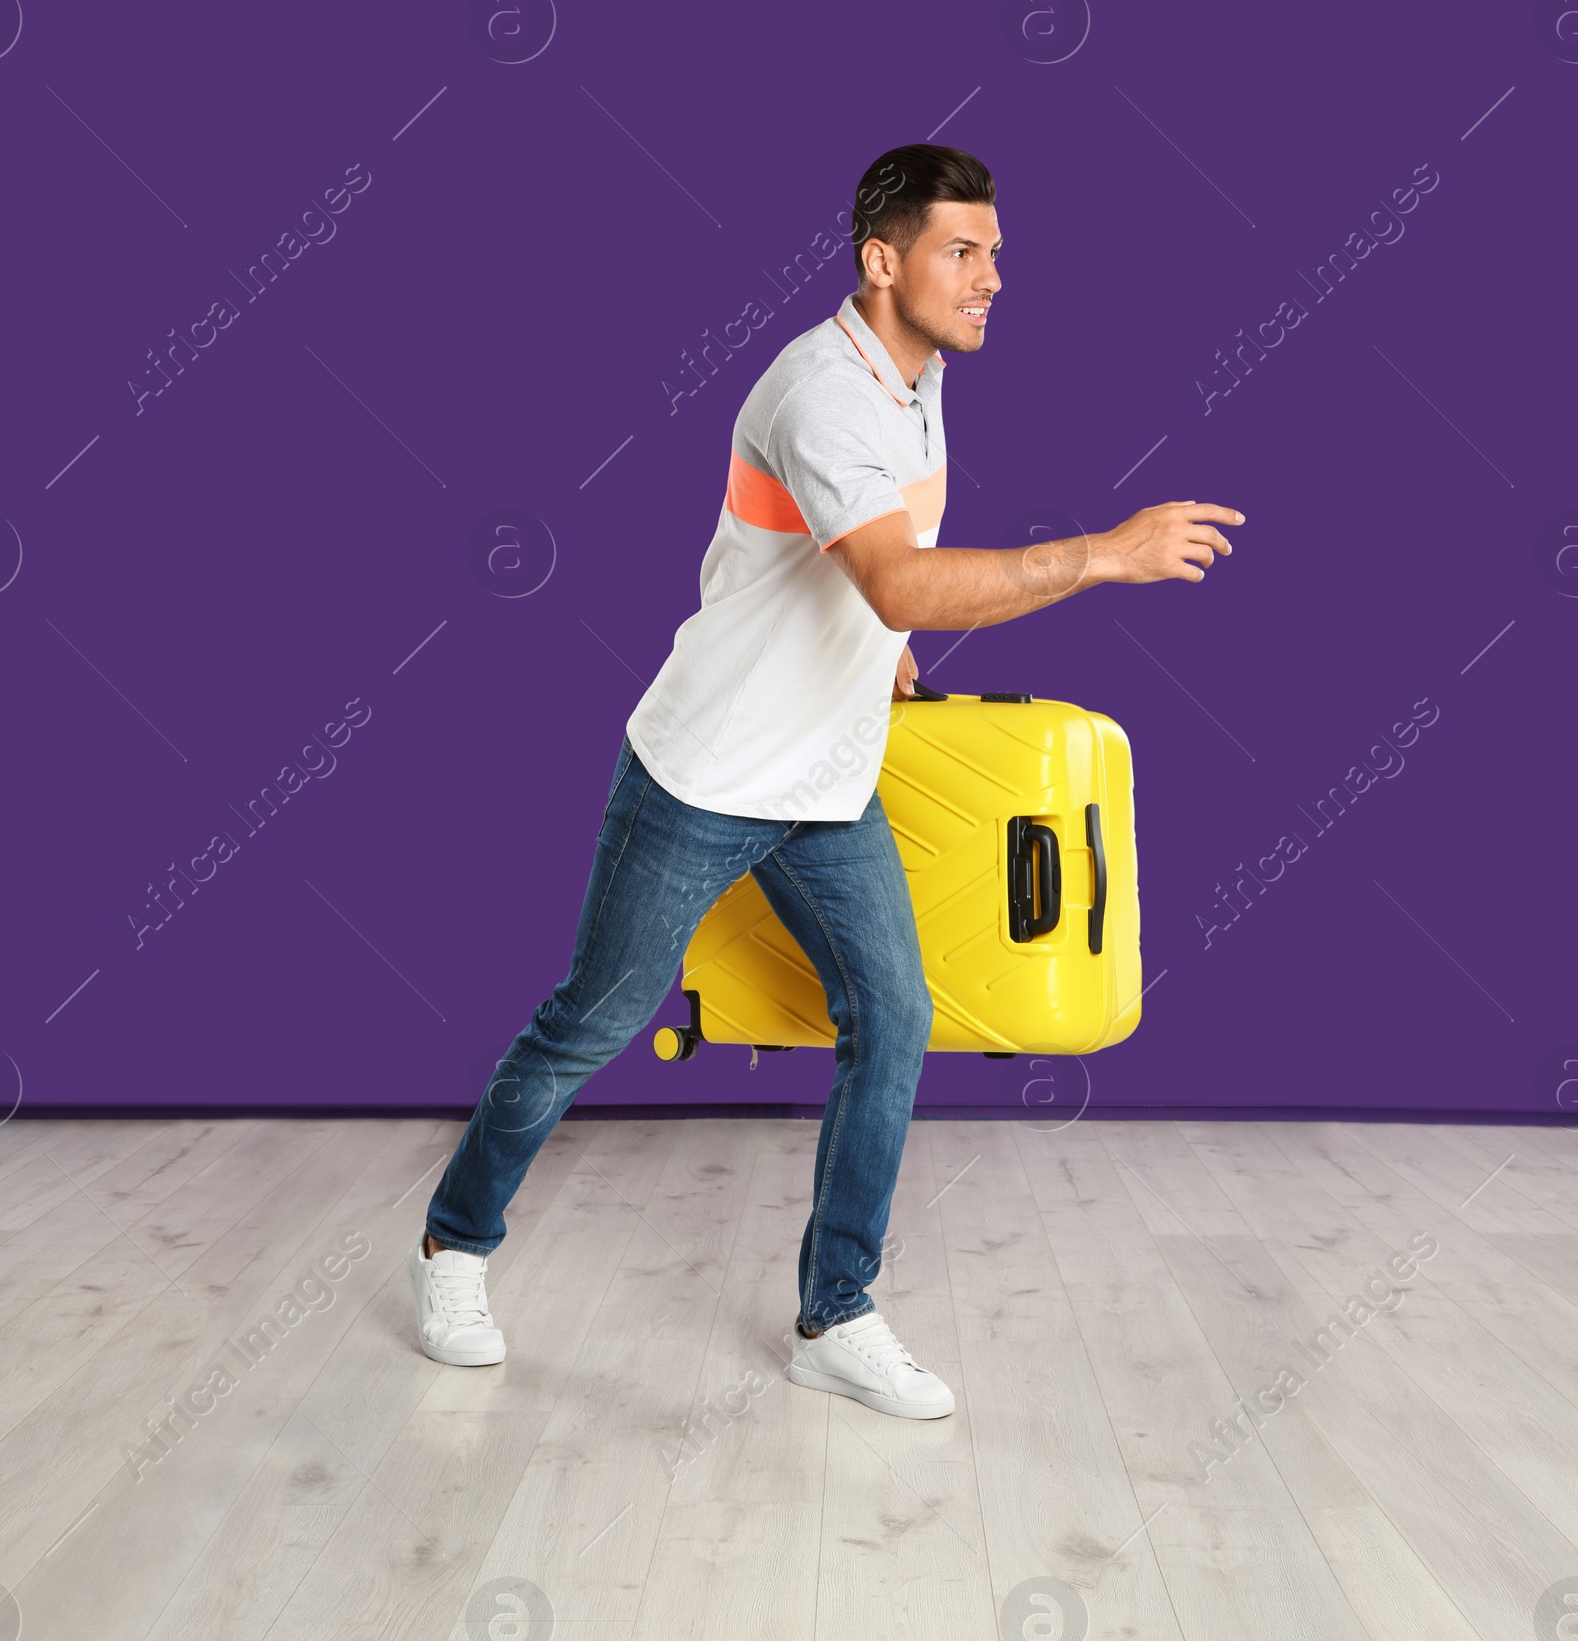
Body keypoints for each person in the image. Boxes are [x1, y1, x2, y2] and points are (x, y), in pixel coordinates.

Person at [410, 143, 1242, 1418]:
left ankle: (833, 1314)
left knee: (890, 1018)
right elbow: (901, 571)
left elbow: (869, 569)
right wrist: (1100, 556)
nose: (990, 279)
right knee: (590, 1019)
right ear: (881, 261)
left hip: (828, 777)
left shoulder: (915, 378)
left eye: (996, 254)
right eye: (962, 253)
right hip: (707, 771)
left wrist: (882, 640)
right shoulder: (821, 391)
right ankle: (454, 1248)